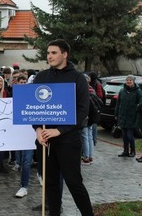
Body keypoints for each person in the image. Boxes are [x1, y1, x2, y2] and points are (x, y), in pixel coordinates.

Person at [32, 39, 94, 216]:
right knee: (50, 183)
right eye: (48, 53)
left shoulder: (77, 78)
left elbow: (82, 110)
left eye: (53, 53)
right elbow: (31, 108)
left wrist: (59, 130)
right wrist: (37, 130)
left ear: (64, 54)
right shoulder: (41, 77)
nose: (49, 56)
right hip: (45, 140)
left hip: (68, 140)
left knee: (74, 183)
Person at [115, 75, 142, 157]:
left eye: (130, 80)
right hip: (123, 116)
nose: (129, 81)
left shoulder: (138, 92)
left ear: (133, 81)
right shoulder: (122, 91)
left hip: (132, 117)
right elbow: (118, 103)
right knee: (124, 136)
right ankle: (125, 151)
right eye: (127, 80)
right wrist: (116, 114)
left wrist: (137, 115)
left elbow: (140, 105)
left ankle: (133, 151)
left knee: (129, 135)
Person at [88, 71, 104, 145]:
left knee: (94, 124)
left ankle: (94, 139)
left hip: (95, 106)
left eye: (89, 77)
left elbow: (100, 95)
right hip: (91, 105)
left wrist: (93, 95)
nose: (89, 78)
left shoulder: (97, 84)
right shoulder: (89, 84)